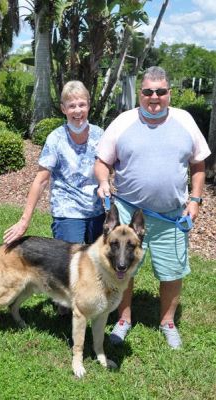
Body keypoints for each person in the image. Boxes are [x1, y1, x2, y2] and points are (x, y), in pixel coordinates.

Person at [94, 66, 211, 349]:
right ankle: (123, 319)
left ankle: (167, 322)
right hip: (126, 214)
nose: (154, 97)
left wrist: (195, 200)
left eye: (160, 91)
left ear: (169, 93)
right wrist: (103, 182)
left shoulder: (185, 120)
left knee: (172, 272)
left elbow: (198, 165)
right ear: (141, 93)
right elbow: (102, 161)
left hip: (171, 217)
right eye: (148, 91)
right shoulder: (123, 121)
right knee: (122, 269)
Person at [3, 80, 105, 248]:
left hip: (97, 211)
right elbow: (41, 180)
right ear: (63, 109)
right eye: (72, 106)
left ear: (88, 106)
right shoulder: (55, 139)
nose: (77, 110)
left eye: (82, 105)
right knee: (69, 267)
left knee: (99, 268)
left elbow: (109, 167)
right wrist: (24, 221)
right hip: (67, 211)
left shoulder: (100, 135)